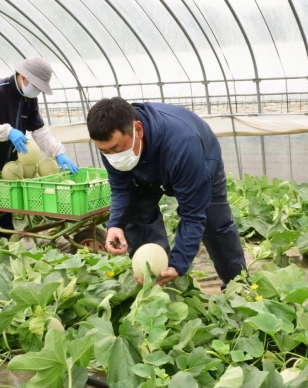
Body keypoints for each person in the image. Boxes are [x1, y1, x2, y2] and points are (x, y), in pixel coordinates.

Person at [86, 97, 246, 287]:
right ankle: (158, 283)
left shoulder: (183, 145)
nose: (113, 157)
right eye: (104, 152)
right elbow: (122, 189)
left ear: (138, 129)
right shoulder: (112, 149)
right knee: (137, 217)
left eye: (116, 149)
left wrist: (179, 263)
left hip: (199, 160)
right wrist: (115, 224)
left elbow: (193, 215)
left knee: (215, 224)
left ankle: (239, 287)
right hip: (143, 168)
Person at [0, 56, 78, 237]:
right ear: (24, 77)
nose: (37, 91)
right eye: (36, 86)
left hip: (3, 160)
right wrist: (7, 131)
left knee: (4, 203)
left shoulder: (30, 99)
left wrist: (57, 152)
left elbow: (39, 130)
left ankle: (6, 239)